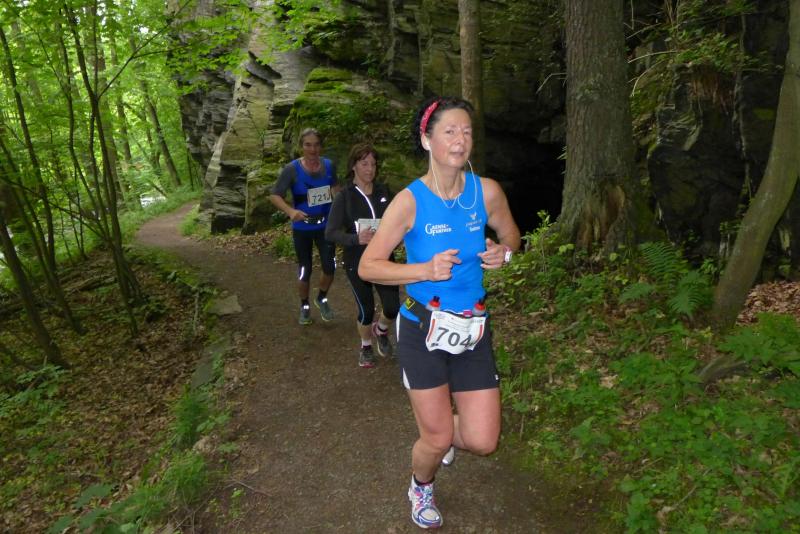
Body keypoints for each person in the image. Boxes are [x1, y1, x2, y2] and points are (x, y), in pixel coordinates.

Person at [358, 96, 521, 529]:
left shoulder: (486, 192)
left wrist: (503, 253)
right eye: (449, 131)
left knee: (483, 441)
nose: (460, 140)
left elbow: (512, 237)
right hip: (421, 329)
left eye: (466, 132)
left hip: (472, 329)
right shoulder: (409, 202)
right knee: (435, 438)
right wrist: (423, 270)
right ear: (427, 140)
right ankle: (421, 482)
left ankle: (444, 433)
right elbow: (368, 265)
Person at [325, 143, 400, 368]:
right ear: (354, 166)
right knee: (366, 310)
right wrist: (355, 239)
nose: (370, 169)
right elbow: (330, 232)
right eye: (364, 164)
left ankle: (381, 330)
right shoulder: (345, 197)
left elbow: (400, 220)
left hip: (384, 258)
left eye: (373, 164)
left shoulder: (384, 192)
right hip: (357, 260)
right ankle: (366, 346)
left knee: (392, 307)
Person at [270, 128, 340, 325]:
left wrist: (339, 207)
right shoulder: (291, 169)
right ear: (301, 146)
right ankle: (304, 306)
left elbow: (336, 189)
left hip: (325, 226)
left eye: (316, 145)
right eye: (308, 145)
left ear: (321, 146)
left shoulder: (329, 166)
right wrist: (291, 211)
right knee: (305, 269)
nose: (312, 149)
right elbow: (275, 195)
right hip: (302, 228)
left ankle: (321, 298)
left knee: (330, 267)